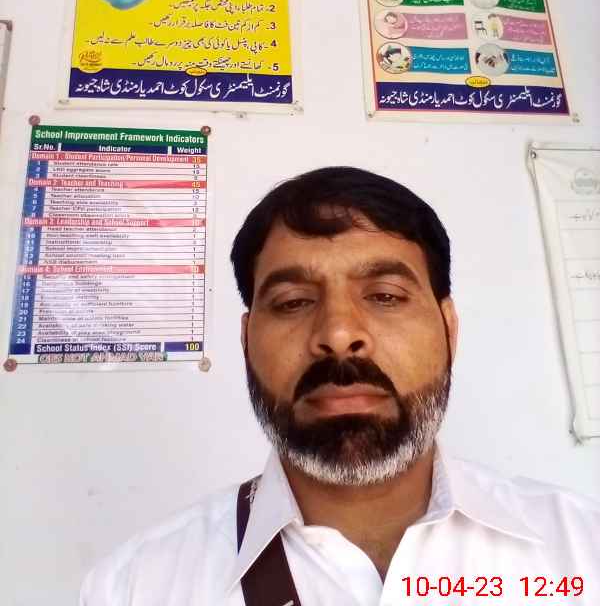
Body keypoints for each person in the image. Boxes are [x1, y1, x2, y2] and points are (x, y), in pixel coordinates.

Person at [81, 167, 600, 606]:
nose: (337, 333)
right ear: (245, 341)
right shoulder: (134, 588)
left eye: (385, 295)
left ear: (449, 329)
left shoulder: (581, 550)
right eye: (292, 302)